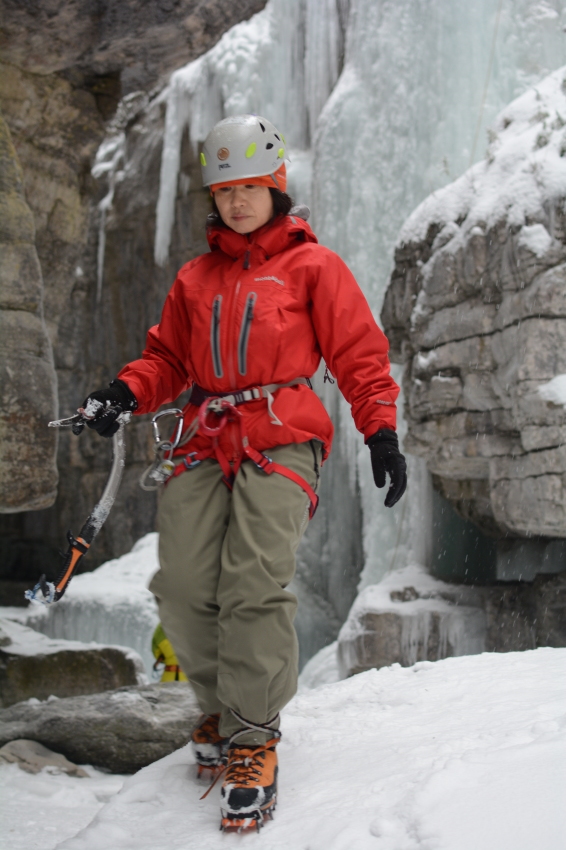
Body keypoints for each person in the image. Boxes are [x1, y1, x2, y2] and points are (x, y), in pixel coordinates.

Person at [80, 114, 406, 832]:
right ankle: (223, 711)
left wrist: (379, 429)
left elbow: (357, 351)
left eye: (249, 188)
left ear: (275, 186)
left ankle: (253, 738)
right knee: (185, 586)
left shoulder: (313, 266)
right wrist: (123, 393)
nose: (236, 202)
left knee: (253, 583)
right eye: (224, 190)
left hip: (283, 436)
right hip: (205, 437)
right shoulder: (196, 278)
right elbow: (167, 359)